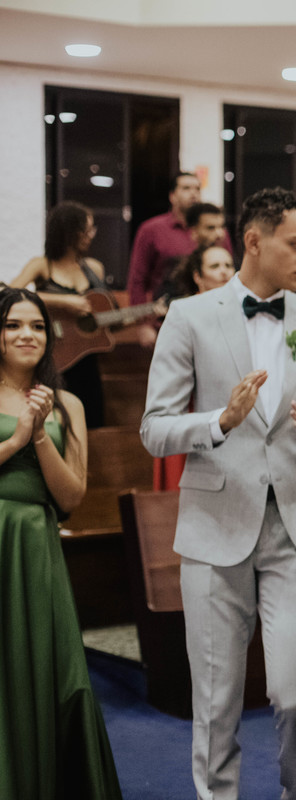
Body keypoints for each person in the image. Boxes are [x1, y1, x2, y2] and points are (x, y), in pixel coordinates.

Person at [140, 187, 296, 800]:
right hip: (215, 524)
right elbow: (154, 429)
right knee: (215, 701)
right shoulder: (189, 316)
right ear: (254, 241)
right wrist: (220, 421)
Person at [0, 288, 123, 799]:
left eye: (36, 326)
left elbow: (71, 496)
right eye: (12, 325)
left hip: (35, 544)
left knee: (55, 672)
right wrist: (16, 438)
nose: (26, 335)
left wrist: (40, 437)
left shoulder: (68, 404)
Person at [11, 201, 109, 428]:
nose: (91, 236)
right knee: (56, 421)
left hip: (88, 360)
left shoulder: (94, 268)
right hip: (54, 357)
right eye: (86, 230)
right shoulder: (42, 265)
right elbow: (10, 293)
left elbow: (103, 317)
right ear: (70, 232)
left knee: (92, 422)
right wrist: (64, 301)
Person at [153, 243, 236, 492]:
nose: (224, 271)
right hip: (192, 410)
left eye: (228, 265)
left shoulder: (240, 313)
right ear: (198, 276)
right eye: (215, 266)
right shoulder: (184, 314)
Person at [127, 172, 232, 305]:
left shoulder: (218, 230)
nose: (193, 193)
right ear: (172, 196)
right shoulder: (151, 229)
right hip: (165, 306)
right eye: (186, 188)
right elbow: (138, 278)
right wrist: (141, 315)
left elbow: (230, 268)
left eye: (197, 189)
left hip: (213, 304)